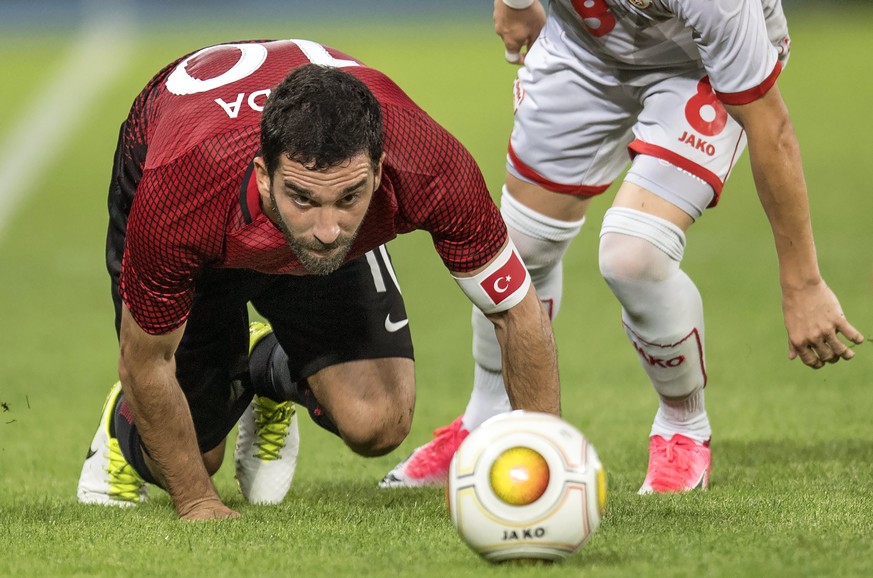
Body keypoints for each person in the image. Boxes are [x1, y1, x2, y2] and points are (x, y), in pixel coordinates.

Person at [380, 0, 865, 492]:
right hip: (584, 50)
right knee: (518, 247)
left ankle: (683, 426)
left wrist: (803, 283)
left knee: (634, 255)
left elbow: (771, 127)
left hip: (697, 66)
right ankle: (488, 418)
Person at [76, 38, 562, 520]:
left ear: (377, 172)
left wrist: (547, 474)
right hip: (206, 225)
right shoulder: (180, 188)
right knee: (190, 457)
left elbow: (517, 312)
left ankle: (262, 367)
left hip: (262, 204)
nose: (328, 231)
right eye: (303, 198)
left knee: (379, 421)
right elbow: (146, 360)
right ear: (264, 175)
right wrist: (198, 501)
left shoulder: (430, 164)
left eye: (349, 197)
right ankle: (123, 429)